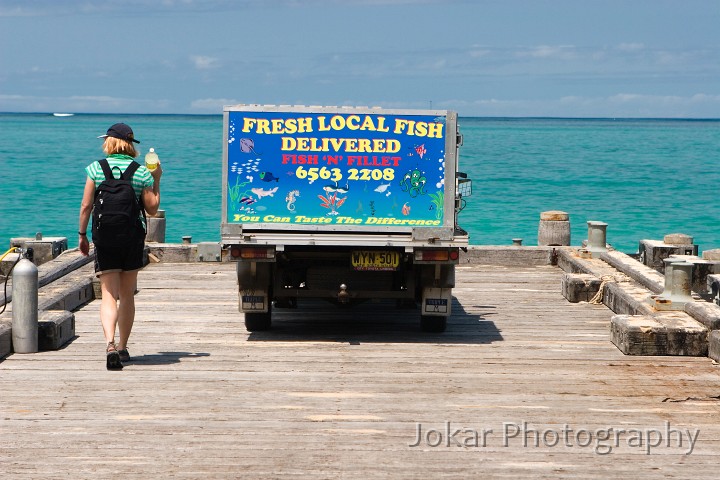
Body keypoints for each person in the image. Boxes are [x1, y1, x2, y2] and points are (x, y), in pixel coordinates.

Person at [78, 123, 162, 370]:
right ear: (129, 144)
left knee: (107, 294)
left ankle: (109, 344)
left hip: (104, 236)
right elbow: (152, 209)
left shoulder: (96, 168)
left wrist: (82, 235)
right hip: (131, 236)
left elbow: (86, 206)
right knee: (126, 295)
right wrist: (156, 180)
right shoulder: (140, 172)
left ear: (110, 142)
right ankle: (124, 348)